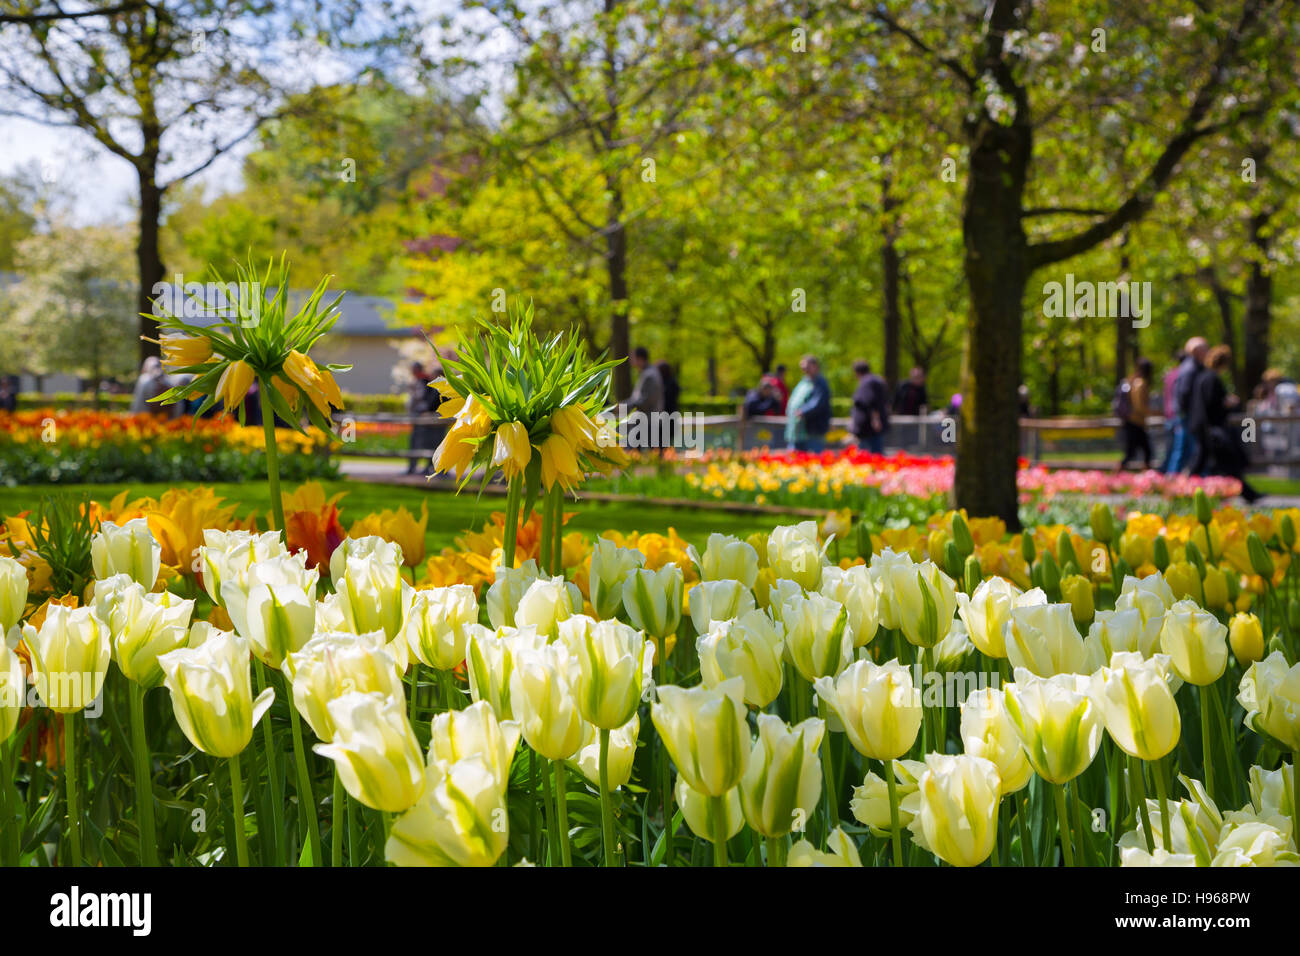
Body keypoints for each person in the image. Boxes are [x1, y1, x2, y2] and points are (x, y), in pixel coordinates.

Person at [1187, 345, 1261, 502]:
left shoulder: (1202, 377)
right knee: (1226, 462)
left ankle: (1243, 494)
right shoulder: (1212, 379)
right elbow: (1213, 404)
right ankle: (1247, 494)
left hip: (1203, 427)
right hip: (1212, 428)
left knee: (1205, 463)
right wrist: (1229, 403)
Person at [1167, 336, 1208, 474]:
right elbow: (1184, 393)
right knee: (1189, 448)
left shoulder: (1190, 366)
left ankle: (1175, 478)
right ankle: (1177, 479)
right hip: (1187, 415)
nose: (1208, 352)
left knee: (1183, 449)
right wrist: (1190, 411)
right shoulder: (1190, 368)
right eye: (1205, 349)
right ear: (1196, 351)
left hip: (1186, 414)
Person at [784, 354, 831, 453]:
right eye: (803, 367)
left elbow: (818, 402)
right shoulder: (804, 382)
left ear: (815, 366)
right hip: (797, 429)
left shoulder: (820, 383)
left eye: (807, 367)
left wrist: (803, 411)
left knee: (813, 459)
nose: (805, 370)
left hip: (812, 429)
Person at [1116, 357, 1154, 471]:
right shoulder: (1140, 383)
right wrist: (1154, 412)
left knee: (1137, 452)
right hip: (1135, 422)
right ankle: (1115, 476)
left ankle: (1146, 476)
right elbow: (1139, 406)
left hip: (1132, 421)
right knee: (1140, 452)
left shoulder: (1132, 380)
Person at [850, 359, 889, 454]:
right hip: (871, 427)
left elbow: (869, 401)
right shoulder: (875, 380)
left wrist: (875, 419)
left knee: (869, 458)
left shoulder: (867, 382)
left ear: (857, 372)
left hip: (868, 427)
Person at [406, 361, 437, 475]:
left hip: (422, 417)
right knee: (417, 442)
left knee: (422, 442)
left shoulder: (424, 381)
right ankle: (414, 467)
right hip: (417, 417)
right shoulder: (417, 381)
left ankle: (422, 467)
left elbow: (425, 400)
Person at [627, 346, 664, 414]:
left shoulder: (649, 375)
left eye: (633, 357)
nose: (630, 360)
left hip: (648, 421)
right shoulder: (648, 373)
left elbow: (644, 402)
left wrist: (623, 406)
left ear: (640, 359)